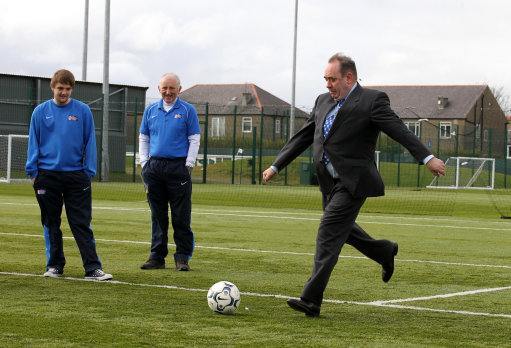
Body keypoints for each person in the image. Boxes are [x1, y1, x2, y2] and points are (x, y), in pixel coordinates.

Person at [262, 53, 445, 317]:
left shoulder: (372, 101)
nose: (327, 84)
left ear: (349, 77)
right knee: (343, 231)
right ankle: (384, 251)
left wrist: (427, 158)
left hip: (354, 181)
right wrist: (276, 165)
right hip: (328, 183)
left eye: (332, 79)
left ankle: (311, 299)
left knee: (328, 231)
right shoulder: (322, 101)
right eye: (325, 79)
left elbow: (398, 130)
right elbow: (304, 137)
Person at [26, 69, 113, 281]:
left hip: (76, 176)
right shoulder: (40, 112)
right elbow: (33, 142)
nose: (63, 92)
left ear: (71, 89)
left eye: (67, 88)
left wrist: (88, 171)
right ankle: (55, 266)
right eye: (59, 88)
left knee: (81, 223)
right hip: (46, 176)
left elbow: (89, 141)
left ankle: (92, 268)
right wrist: (33, 172)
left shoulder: (83, 111)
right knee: (51, 222)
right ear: (52, 87)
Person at [139, 73, 201, 271]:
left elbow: (194, 139)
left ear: (179, 89)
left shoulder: (187, 110)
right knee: (158, 215)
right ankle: (156, 256)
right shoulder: (150, 111)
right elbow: (144, 137)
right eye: (164, 88)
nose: (168, 92)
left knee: (181, 215)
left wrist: (189, 164)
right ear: (159, 89)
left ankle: (182, 257)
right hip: (154, 168)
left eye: (172, 88)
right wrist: (144, 163)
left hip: (178, 168)